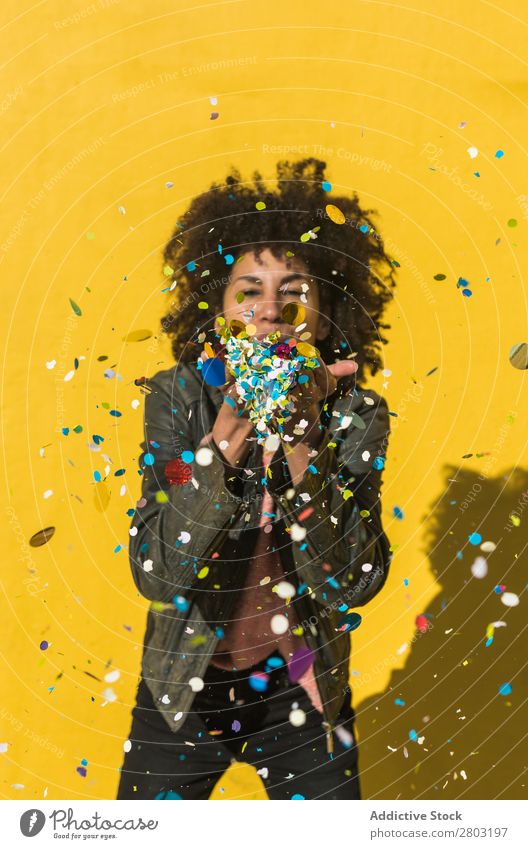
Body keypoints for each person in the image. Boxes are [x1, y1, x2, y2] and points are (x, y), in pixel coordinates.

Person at [116, 158, 396, 800]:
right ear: (217, 314)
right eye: (249, 292)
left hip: (303, 689)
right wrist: (228, 436)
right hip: (183, 687)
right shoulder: (179, 400)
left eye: (294, 292)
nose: (272, 311)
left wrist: (306, 445)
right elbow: (156, 573)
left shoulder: (356, 415)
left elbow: (353, 582)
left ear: (323, 319)